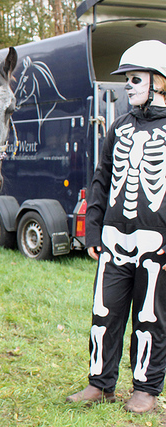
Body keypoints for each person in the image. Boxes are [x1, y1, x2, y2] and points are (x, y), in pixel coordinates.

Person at [67, 40, 166, 413]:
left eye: (135, 78)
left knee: (150, 316)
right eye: (126, 79)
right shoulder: (120, 127)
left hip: (157, 243)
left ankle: (146, 390)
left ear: (160, 81)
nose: (128, 86)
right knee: (104, 313)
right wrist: (93, 230)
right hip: (113, 238)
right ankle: (100, 383)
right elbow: (100, 179)